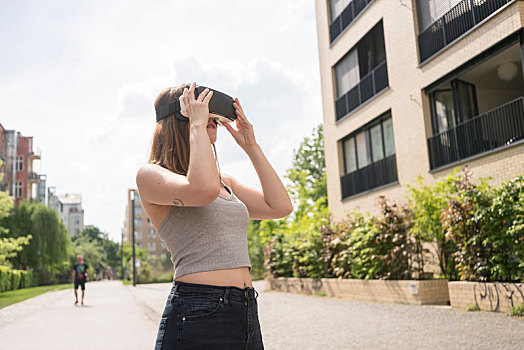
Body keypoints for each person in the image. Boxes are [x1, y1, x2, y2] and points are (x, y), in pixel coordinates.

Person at [136, 82, 293, 349]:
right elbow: (202, 190)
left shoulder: (224, 181)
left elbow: (279, 206)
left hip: (244, 307)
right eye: (199, 109)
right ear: (181, 115)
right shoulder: (152, 175)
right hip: (198, 308)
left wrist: (251, 145)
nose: (210, 118)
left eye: (210, 115)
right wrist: (197, 125)